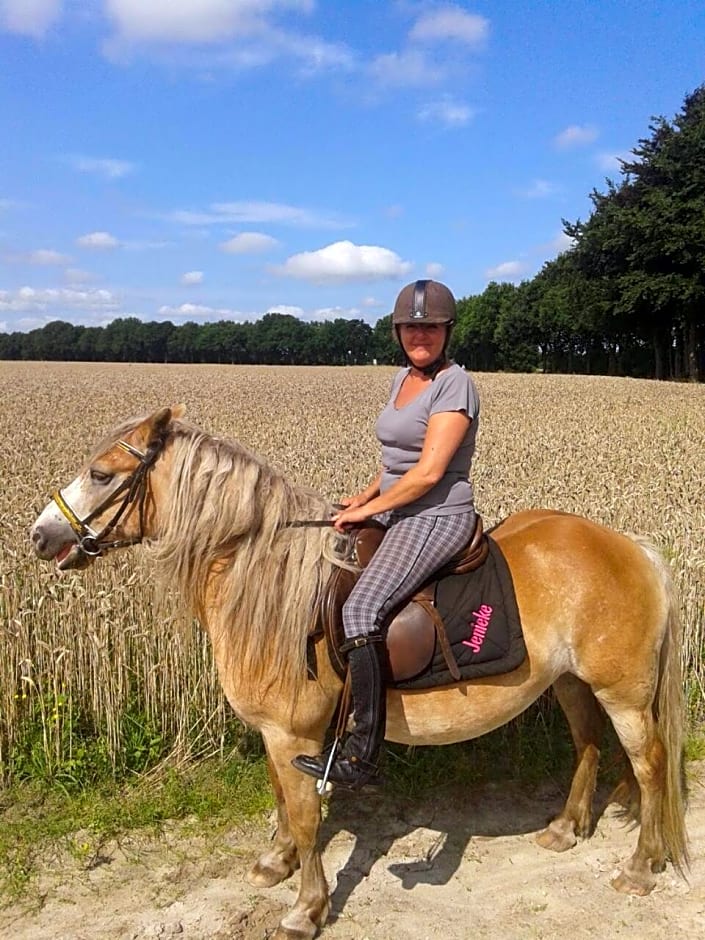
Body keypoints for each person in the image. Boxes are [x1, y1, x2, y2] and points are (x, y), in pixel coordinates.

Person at [292, 279, 480, 790]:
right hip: (398, 508)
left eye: (431, 327)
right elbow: (398, 463)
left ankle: (361, 753)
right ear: (398, 331)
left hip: (435, 515)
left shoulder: (454, 384)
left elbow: (427, 474)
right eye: (411, 326)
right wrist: (364, 496)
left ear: (446, 331)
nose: (421, 335)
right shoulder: (402, 379)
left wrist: (375, 507)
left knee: (359, 611)